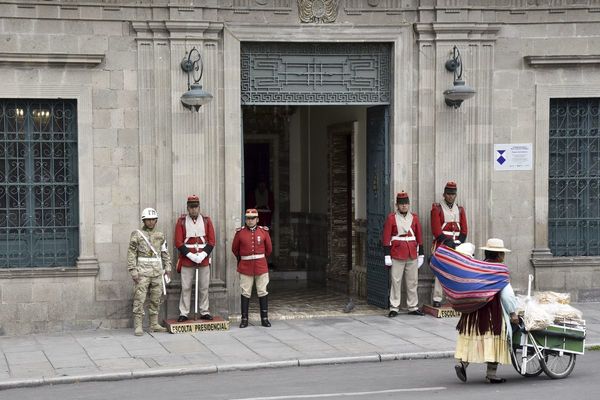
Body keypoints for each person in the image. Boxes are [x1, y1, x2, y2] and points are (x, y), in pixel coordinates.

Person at [453, 238, 518, 384]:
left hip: (473, 311)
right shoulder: (500, 270)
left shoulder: (478, 266)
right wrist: (513, 313)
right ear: (500, 255)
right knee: (493, 339)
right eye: (503, 254)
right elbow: (507, 296)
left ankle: (462, 363)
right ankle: (491, 374)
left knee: (473, 337)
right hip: (490, 312)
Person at [127, 207, 172, 336]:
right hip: (142, 272)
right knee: (139, 298)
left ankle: (154, 324)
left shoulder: (160, 235)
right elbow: (131, 253)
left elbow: (164, 253)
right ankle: (138, 325)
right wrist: (133, 270)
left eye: (153, 220)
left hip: (157, 272)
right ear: (144, 220)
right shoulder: (137, 234)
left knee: (156, 298)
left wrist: (167, 268)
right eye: (148, 220)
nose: (151, 222)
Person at [382, 192, 425, 317]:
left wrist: (421, 253)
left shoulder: (414, 218)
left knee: (412, 281)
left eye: (406, 203)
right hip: (397, 253)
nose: (404, 206)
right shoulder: (391, 218)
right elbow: (386, 237)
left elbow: (419, 236)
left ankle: (412, 306)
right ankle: (394, 307)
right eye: (401, 204)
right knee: (396, 281)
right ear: (397, 205)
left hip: (412, 253)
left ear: (409, 204)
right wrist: (387, 255)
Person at [174, 195, 216, 322]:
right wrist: (191, 255)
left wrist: (203, 254)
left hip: (203, 258)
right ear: (187, 208)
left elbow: (212, 241)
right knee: (185, 286)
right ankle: (184, 312)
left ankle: (205, 310)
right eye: (191, 207)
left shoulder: (207, 221)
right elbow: (178, 242)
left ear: (199, 207)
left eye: (195, 207)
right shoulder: (181, 222)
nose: (193, 210)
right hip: (187, 259)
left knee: (204, 286)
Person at [232, 208, 273, 328]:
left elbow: (269, 249)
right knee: (245, 292)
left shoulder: (264, 232)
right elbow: (235, 249)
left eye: (252, 218)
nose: (250, 221)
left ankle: (264, 318)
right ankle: (244, 319)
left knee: (262, 291)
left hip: (261, 266)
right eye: (248, 218)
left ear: (257, 219)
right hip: (245, 267)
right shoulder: (240, 233)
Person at [430, 181, 468, 307]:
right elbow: (436, 230)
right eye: (448, 194)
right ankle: (437, 298)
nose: (451, 196)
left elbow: (464, 229)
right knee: (441, 271)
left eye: (453, 194)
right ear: (444, 194)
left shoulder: (460, 209)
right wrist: (447, 241)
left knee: (457, 271)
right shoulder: (437, 209)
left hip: (457, 244)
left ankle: (456, 298)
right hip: (443, 244)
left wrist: (459, 242)